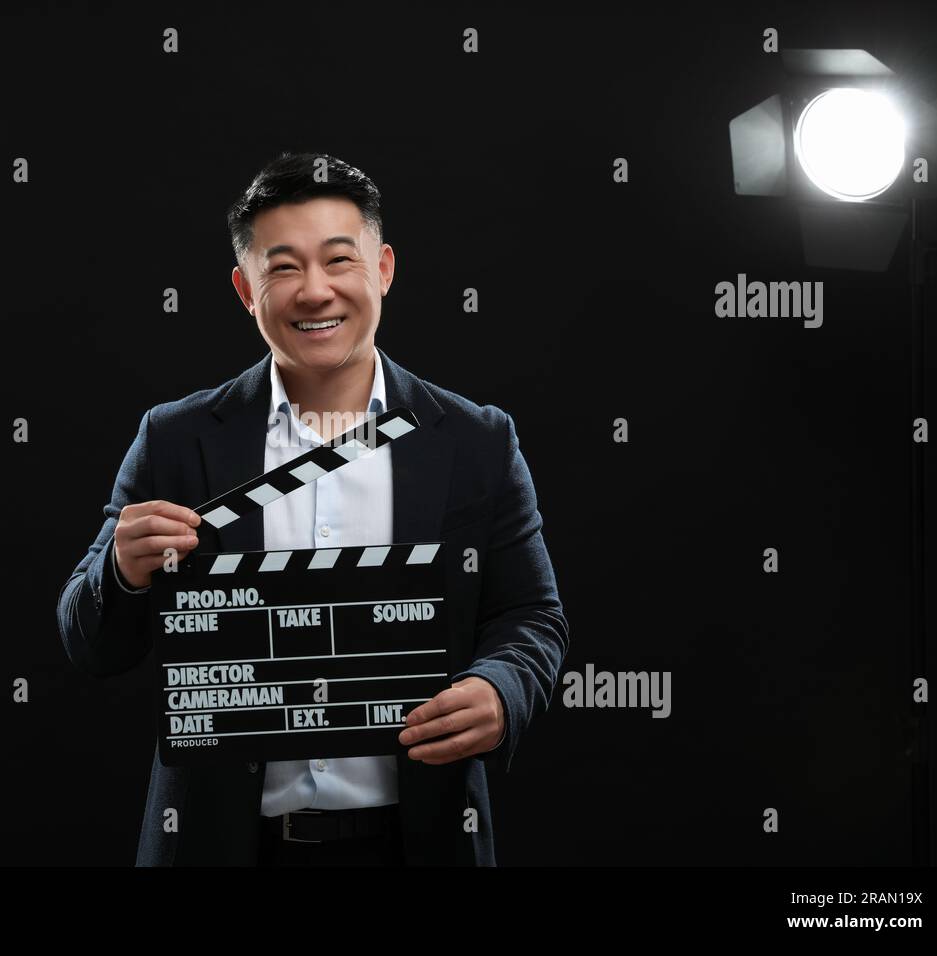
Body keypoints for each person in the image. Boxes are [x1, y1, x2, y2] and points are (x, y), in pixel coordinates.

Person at [56, 151, 569, 866]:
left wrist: (501, 690)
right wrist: (121, 571)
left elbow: (531, 615)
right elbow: (91, 643)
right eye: (284, 268)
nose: (315, 291)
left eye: (339, 260)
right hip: (221, 847)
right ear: (245, 288)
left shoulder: (478, 440)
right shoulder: (175, 439)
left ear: (384, 268)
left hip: (417, 842)